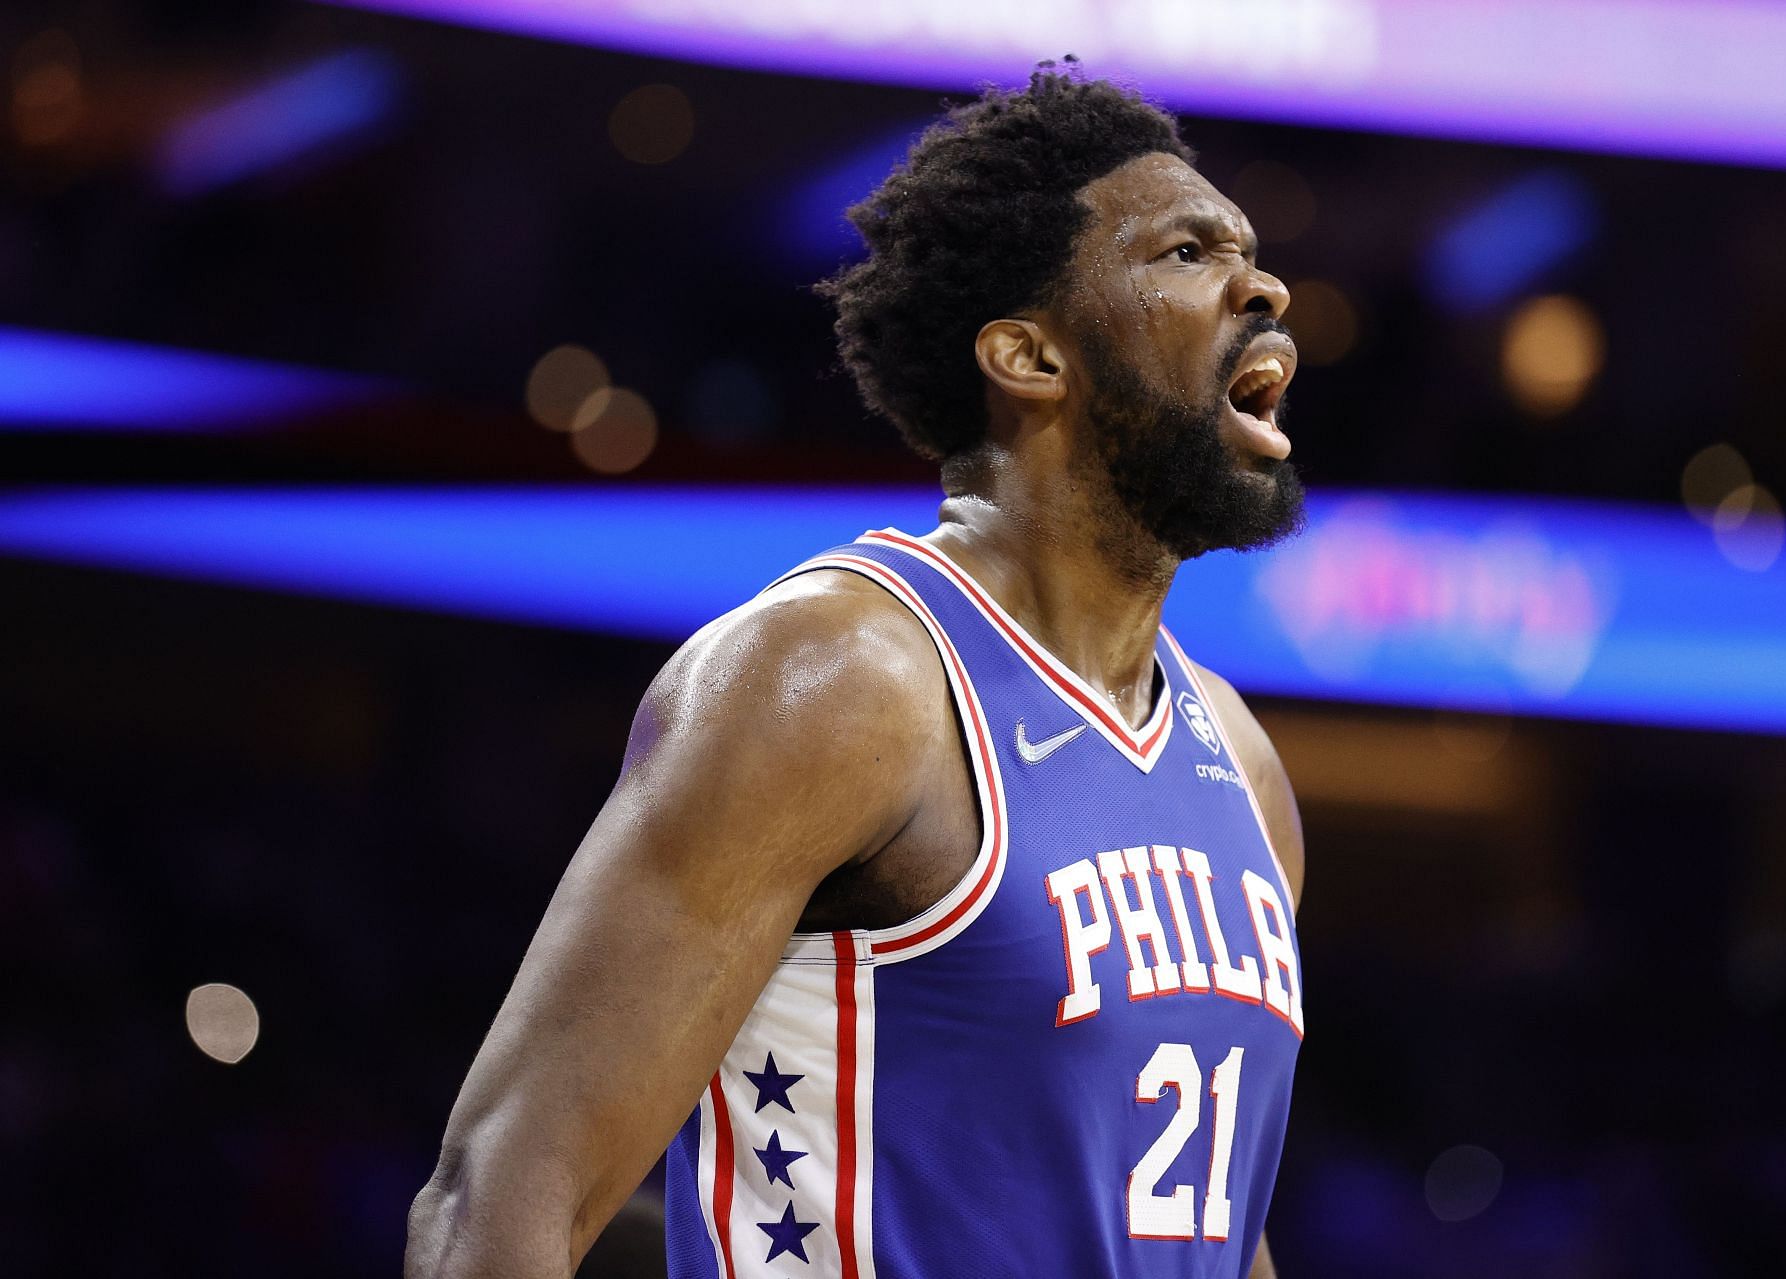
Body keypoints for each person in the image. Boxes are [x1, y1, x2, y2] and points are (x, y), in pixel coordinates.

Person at [406, 64, 1307, 1279]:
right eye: (1190, 252)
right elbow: (499, 1198)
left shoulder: (1241, 769)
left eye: (1247, 252)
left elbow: (1217, 1231)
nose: (1265, 285)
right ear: (1028, 355)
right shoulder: (838, 677)